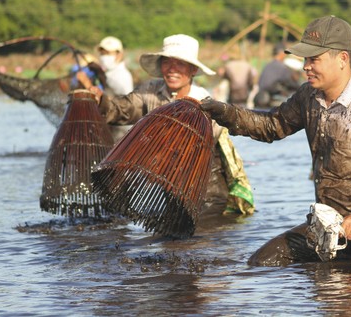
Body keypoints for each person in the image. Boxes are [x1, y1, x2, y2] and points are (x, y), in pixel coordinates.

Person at [201, 16, 351, 266]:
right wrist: (222, 111)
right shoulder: (309, 96)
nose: (306, 66)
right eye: (305, 59)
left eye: (314, 59)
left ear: (342, 59)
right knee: (261, 263)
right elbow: (272, 125)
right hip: (327, 225)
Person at [87, 34, 255, 223]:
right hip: (170, 187)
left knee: (202, 241)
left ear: (192, 69)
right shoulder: (150, 92)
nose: (172, 69)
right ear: (160, 66)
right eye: (167, 62)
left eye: (180, 64)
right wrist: (100, 100)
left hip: (206, 188)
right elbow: (121, 110)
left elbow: (201, 149)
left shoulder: (205, 103)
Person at [254, 43, 302, 108]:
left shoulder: (267, 65)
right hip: (271, 99)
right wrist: (301, 87)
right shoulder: (282, 67)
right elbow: (290, 83)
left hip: (261, 96)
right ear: (281, 54)